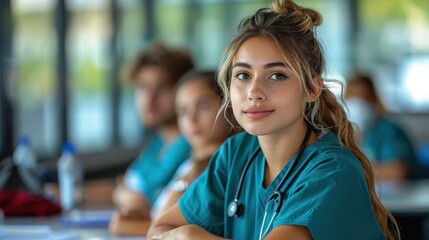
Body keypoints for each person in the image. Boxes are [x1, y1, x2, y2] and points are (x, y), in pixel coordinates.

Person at [147, 1, 400, 240]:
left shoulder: (333, 171)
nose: (254, 91)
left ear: (312, 90)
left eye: (277, 75)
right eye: (243, 75)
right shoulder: (235, 154)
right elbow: (160, 227)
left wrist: (190, 235)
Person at [109, 70, 235, 236]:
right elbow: (162, 218)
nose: (191, 118)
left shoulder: (222, 167)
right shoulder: (190, 164)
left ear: (228, 106)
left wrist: (123, 225)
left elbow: (165, 229)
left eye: (202, 106)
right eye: (182, 111)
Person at [112, 43, 194, 219]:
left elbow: (147, 205)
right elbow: (124, 187)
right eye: (143, 87)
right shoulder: (158, 143)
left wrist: (129, 197)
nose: (149, 99)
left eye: (162, 88)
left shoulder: (194, 144)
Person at [345, 74, 420, 181]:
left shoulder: (388, 130)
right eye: (353, 98)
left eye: (363, 97)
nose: (358, 104)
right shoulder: (345, 132)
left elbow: (397, 171)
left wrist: (353, 171)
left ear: (374, 99)